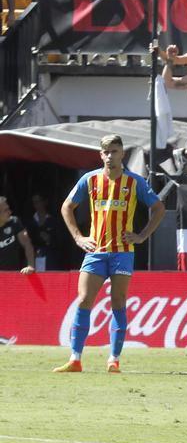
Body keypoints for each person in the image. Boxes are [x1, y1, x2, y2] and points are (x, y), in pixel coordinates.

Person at [55, 135, 166, 373]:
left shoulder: (135, 182)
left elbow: (158, 208)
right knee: (84, 300)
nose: (109, 156)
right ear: (100, 154)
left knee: (118, 302)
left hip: (123, 252)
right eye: (105, 152)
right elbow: (67, 206)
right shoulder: (90, 179)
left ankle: (113, 359)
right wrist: (78, 237)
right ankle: (75, 358)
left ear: (122, 154)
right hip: (96, 252)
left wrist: (142, 235)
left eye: (114, 151)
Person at [0, 196, 36, 274]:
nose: (10, 212)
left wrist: (30, 266)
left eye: (8, 208)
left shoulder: (14, 222)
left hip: (14, 275)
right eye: (6, 210)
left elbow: (27, 244)